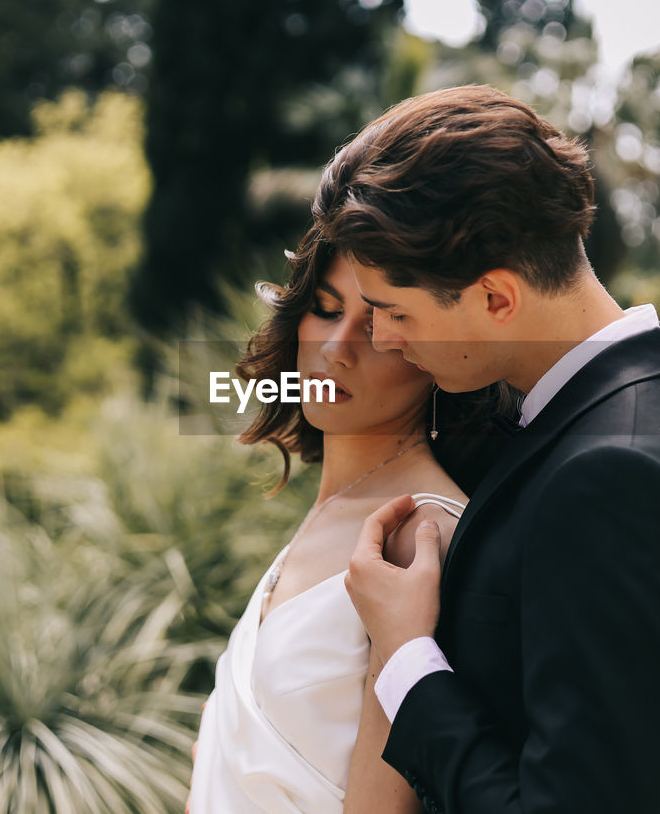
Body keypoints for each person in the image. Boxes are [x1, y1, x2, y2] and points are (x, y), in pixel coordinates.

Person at [331, 86, 660, 812]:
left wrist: (407, 654)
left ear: (497, 298)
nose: (384, 339)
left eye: (394, 311)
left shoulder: (616, 478)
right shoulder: (649, 415)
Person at [186, 217, 518, 813]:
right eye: (324, 308)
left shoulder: (418, 532)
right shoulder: (335, 505)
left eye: (377, 325)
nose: (335, 350)